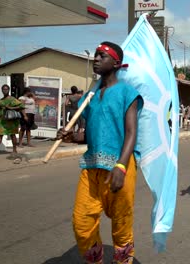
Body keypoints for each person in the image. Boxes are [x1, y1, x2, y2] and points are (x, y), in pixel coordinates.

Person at [57, 41, 143, 264]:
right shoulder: (90, 96)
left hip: (120, 167)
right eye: (95, 55)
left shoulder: (127, 92)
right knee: (82, 223)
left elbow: (131, 133)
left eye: (101, 56)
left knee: (121, 226)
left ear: (116, 63)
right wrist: (70, 136)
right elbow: (88, 134)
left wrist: (121, 166)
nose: (96, 59)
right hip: (91, 168)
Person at [0, 84, 27, 161]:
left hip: (11, 120)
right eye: (3, 89)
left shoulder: (12, 99)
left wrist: (11, 108)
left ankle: (14, 149)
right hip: (2, 121)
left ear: (9, 90)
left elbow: (21, 106)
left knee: (12, 135)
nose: (5, 91)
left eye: (6, 89)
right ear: (2, 90)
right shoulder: (0, 101)